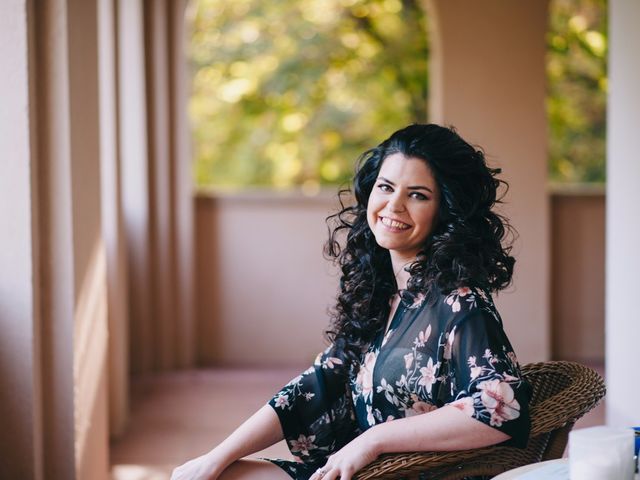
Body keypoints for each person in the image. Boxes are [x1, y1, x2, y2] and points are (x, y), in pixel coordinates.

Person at [171, 124, 532, 480]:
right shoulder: (384, 295)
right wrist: (215, 456)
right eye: (386, 187)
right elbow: (315, 386)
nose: (394, 205)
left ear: (447, 211)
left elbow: (500, 411)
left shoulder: (460, 304)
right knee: (215, 477)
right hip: (358, 473)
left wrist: (373, 440)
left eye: (418, 195)